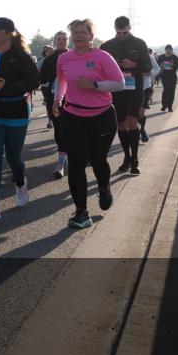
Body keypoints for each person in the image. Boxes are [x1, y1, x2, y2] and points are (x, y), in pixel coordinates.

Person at [54, 19, 124, 229]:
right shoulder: (64, 58)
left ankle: (104, 188)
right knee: (76, 164)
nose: (78, 35)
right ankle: (81, 213)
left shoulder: (102, 56)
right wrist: (58, 99)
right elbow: (61, 80)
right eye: (75, 32)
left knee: (98, 160)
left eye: (83, 32)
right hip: (73, 116)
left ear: (91, 36)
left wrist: (96, 85)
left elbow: (119, 83)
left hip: (101, 116)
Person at [0, 17, 40, 223]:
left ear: (9, 33)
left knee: (13, 157)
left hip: (15, 111)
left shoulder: (21, 56)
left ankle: (20, 182)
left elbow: (34, 81)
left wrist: (9, 87)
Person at [100, 17, 151, 176]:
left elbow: (148, 67)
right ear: (114, 29)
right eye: (119, 32)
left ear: (129, 28)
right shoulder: (106, 46)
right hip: (116, 89)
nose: (122, 35)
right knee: (121, 124)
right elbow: (99, 69)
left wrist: (134, 64)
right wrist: (113, 65)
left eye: (125, 32)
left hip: (134, 88)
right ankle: (127, 157)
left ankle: (135, 160)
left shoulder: (139, 43)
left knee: (132, 121)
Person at [38, 31, 69, 178]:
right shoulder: (49, 59)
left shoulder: (74, 56)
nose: (61, 41)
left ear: (68, 41)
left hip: (75, 99)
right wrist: (56, 77)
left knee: (76, 130)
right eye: (59, 39)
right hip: (55, 98)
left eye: (64, 39)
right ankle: (61, 163)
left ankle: (79, 155)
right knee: (59, 130)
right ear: (55, 41)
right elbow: (41, 77)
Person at [159, 45, 178, 111]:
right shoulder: (161, 57)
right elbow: (158, 64)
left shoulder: (174, 57)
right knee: (165, 90)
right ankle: (164, 105)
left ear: (171, 50)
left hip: (172, 76)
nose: (168, 51)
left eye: (170, 49)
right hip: (164, 76)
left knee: (171, 91)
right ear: (165, 50)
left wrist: (173, 64)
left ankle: (170, 106)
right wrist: (161, 65)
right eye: (167, 49)